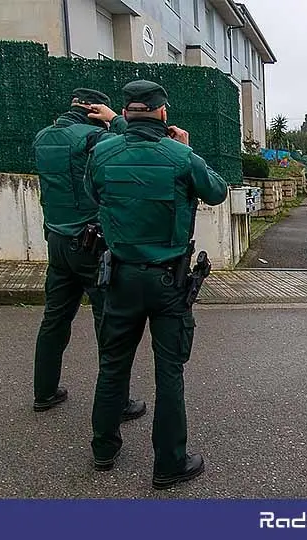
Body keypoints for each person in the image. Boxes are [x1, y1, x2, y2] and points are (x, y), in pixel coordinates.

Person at [84, 80, 228, 489]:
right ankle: (169, 463)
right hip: (169, 281)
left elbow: (92, 193)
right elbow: (216, 191)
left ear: (126, 112)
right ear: (163, 114)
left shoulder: (102, 152)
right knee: (169, 371)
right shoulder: (181, 155)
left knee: (112, 364)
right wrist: (189, 147)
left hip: (120, 277)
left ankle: (103, 448)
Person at [31, 88, 146, 422]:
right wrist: (116, 120)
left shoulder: (42, 138)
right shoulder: (95, 138)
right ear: (95, 109)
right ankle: (118, 401)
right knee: (107, 321)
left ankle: (44, 391)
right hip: (91, 243)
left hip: (56, 240)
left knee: (54, 318)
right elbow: (133, 143)